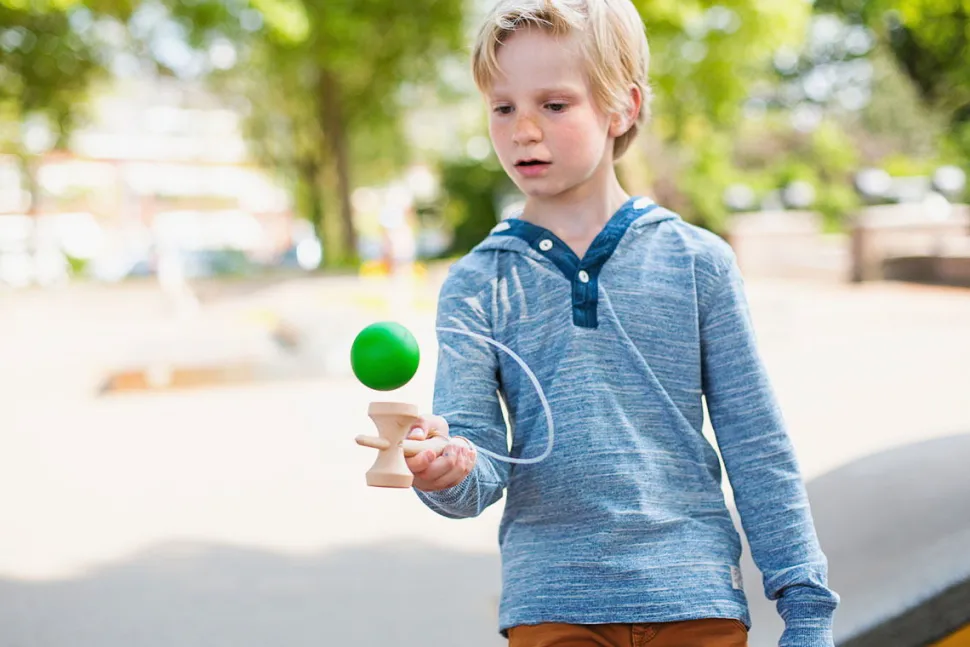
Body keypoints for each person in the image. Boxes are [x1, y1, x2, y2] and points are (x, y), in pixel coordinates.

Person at [404, 1, 839, 645]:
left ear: (622, 108)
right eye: (503, 107)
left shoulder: (699, 263)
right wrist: (446, 470)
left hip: (695, 596)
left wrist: (806, 611)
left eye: (554, 105)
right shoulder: (476, 283)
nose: (523, 129)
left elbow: (756, 445)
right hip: (552, 603)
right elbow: (476, 459)